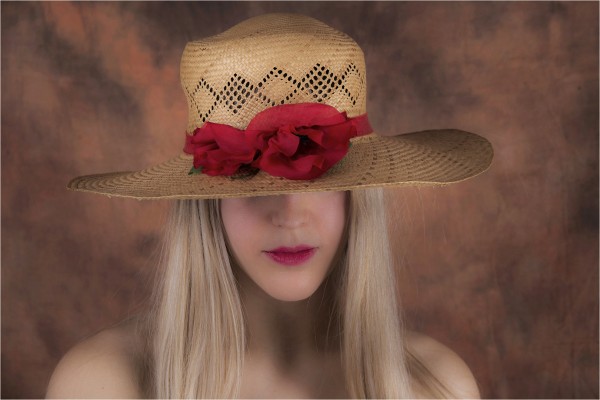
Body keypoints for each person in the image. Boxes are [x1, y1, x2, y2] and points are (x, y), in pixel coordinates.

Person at [46, 13, 493, 399]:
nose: (290, 214)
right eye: (251, 181)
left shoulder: (437, 386)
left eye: (321, 178)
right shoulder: (102, 383)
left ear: (359, 196)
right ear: (206, 205)